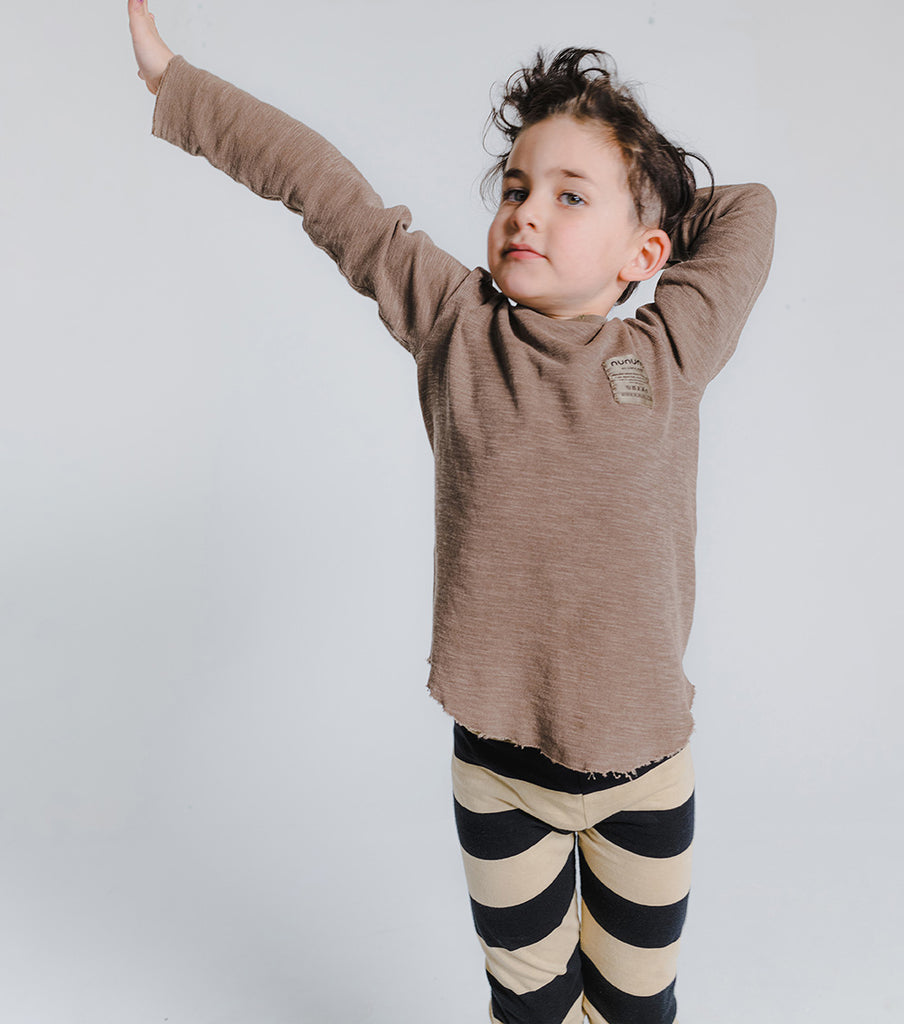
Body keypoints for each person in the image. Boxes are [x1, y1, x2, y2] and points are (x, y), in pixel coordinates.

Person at [127, 3, 776, 1022]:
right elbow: (323, 189)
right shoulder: (456, 327)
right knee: (530, 1006)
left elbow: (749, 209)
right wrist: (181, 86)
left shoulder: (667, 349)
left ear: (644, 252)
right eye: (515, 187)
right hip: (502, 777)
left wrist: (649, 210)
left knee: (637, 1010)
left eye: (570, 195)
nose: (526, 212)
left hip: (646, 775)